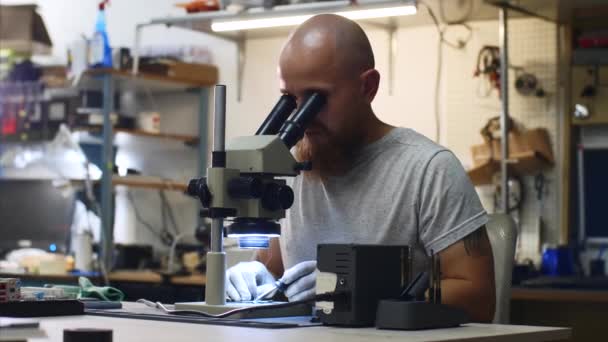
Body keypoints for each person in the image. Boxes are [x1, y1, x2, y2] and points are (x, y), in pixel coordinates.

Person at [225, 14, 495, 322]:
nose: (301, 117)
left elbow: (479, 298)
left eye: (317, 99)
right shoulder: (288, 170)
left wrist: (361, 290)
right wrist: (255, 274)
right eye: (289, 100)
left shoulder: (428, 170)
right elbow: (274, 270)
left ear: (368, 87)